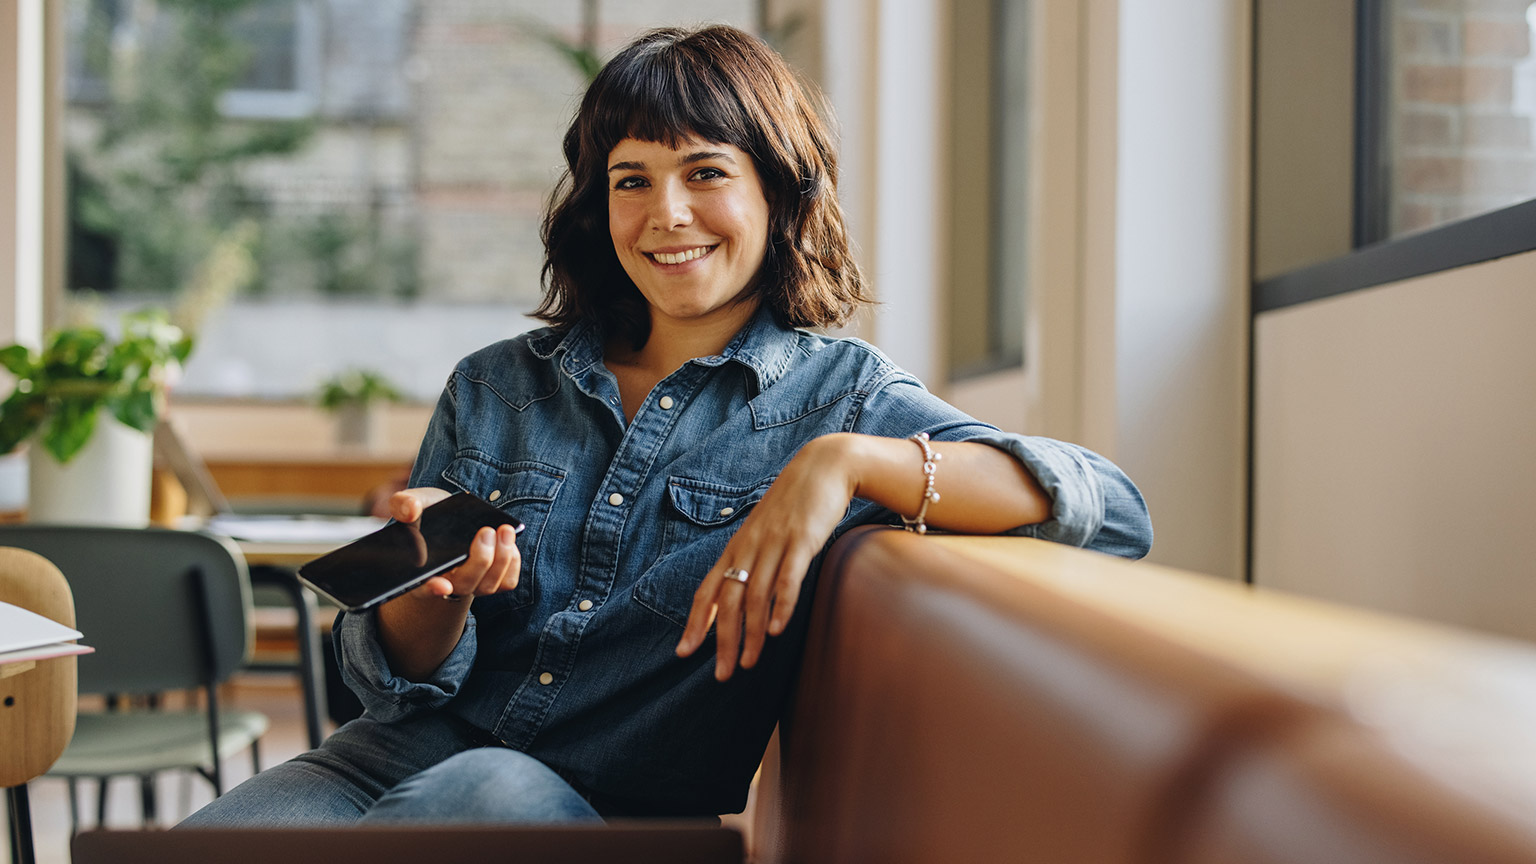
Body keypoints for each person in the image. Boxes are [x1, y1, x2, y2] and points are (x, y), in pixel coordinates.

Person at [181, 24, 1151, 827]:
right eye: (631, 179)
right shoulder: (493, 387)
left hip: (601, 803)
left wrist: (843, 463)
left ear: (777, 189)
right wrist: (428, 598)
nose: (666, 213)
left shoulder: (840, 396)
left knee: (477, 798)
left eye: (704, 172)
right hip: (381, 764)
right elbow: (394, 686)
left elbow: (1112, 511)